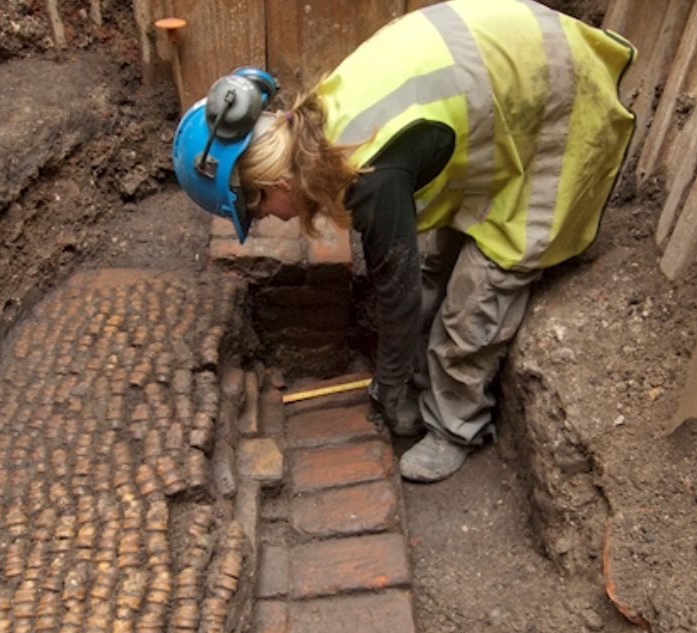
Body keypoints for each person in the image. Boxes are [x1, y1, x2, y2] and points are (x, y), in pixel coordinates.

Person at [173, 0, 636, 482]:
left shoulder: (369, 177)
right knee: (435, 260)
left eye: (259, 210)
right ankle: (422, 379)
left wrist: (386, 386)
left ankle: (455, 428)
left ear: (272, 184)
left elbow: (397, 292)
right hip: (506, 78)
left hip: (557, 98)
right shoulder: (320, 117)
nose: (270, 219)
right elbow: (406, 276)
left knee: (475, 300)